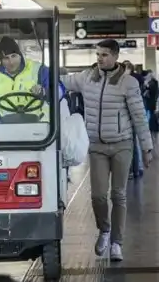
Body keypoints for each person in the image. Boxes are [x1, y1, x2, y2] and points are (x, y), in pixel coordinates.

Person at [60, 39, 153, 262]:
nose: (99, 58)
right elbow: (62, 82)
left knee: (118, 194)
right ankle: (104, 230)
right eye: (98, 54)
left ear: (115, 56)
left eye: (104, 55)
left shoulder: (128, 83)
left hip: (122, 144)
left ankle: (117, 243)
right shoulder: (86, 78)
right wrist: (41, 81)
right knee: (98, 196)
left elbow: (139, 117)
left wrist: (147, 147)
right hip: (97, 146)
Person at [0, 36, 64, 122]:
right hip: (6, 128)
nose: (11, 62)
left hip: (40, 127)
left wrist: (44, 92)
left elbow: (60, 91)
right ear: (1, 60)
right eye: (6, 58)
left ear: (20, 55)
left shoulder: (39, 70)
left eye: (14, 56)